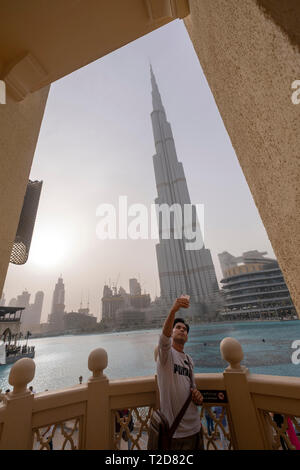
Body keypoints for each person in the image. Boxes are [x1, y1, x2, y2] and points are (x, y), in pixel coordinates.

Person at [155, 296, 204, 450]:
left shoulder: (189, 360)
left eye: (185, 330)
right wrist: (173, 311)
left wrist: (198, 397)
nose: (182, 330)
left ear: (187, 336)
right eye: (178, 328)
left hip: (196, 428)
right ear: (172, 331)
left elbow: (193, 389)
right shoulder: (166, 355)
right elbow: (164, 337)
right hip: (175, 432)